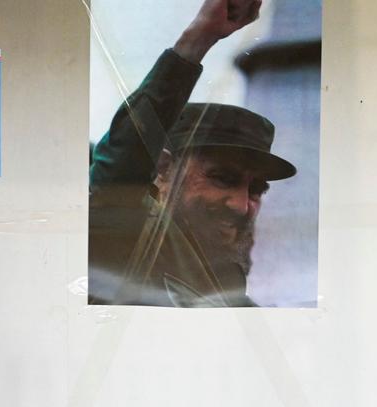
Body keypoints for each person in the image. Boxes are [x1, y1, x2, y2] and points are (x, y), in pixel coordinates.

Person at [87, 0, 297, 307]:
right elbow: (124, 160)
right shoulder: (122, 238)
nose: (241, 205)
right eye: (223, 179)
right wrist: (199, 38)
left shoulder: (234, 300)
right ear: (163, 170)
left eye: (255, 189)